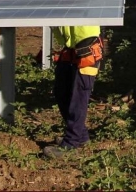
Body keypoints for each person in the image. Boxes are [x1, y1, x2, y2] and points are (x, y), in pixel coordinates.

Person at [44, 25, 104, 158]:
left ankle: (71, 143)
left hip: (87, 44)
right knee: (61, 92)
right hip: (70, 45)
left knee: (78, 99)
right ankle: (81, 136)